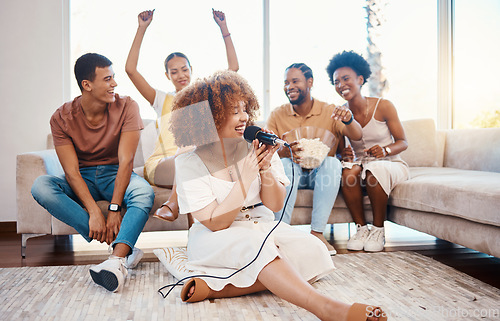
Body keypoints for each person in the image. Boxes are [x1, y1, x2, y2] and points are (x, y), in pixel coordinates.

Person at [169, 70, 387, 321]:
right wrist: (247, 176)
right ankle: (327, 308)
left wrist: (264, 169)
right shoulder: (188, 162)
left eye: (244, 109)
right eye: (234, 111)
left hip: (260, 226)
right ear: (211, 116)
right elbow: (216, 223)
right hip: (215, 236)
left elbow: (274, 204)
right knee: (257, 247)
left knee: (314, 251)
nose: (244, 117)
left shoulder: (257, 146)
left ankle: (217, 288)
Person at [31, 53, 155, 292]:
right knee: (41, 186)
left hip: (115, 173)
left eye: (114, 77)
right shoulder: (61, 117)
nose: (114, 84)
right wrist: (93, 212)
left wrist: (114, 208)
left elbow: (126, 160)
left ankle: (116, 261)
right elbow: (71, 171)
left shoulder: (128, 106)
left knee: (143, 192)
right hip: (83, 177)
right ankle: (124, 247)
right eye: (107, 79)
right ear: (87, 85)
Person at [125, 9, 239, 222]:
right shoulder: (161, 99)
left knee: (196, 169)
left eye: (184, 69)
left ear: (191, 69)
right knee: (191, 160)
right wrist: (142, 29)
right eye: (174, 71)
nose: (180, 75)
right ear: (167, 75)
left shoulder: (203, 96)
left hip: (195, 162)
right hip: (163, 166)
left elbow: (233, 69)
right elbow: (130, 70)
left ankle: (193, 236)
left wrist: (224, 29)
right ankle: (173, 201)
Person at [266, 63, 363, 255]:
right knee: (285, 164)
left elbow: (357, 135)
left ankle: (317, 233)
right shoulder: (278, 114)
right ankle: (279, 232)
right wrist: (283, 151)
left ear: (309, 82)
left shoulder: (329, 111)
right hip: (291, 174)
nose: (289, 86)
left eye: (295, 81)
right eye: (286, 82)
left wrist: (348, 119)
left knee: (333, 162)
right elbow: (269, 149)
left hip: (322, 176)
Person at [326, 50, 409, 252]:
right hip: (360, 165)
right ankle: (361, 228)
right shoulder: (340, 113)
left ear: (360, 79)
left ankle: (378, 229)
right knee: (347, 172)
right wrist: (340, 155)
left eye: (346, 79)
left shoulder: (384, 106)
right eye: (336, 81)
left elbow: (403, 142)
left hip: (390, 164)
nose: (341, 85)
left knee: (376, 169)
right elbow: (338, 149)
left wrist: (386, 149)